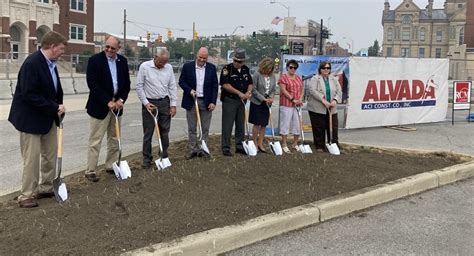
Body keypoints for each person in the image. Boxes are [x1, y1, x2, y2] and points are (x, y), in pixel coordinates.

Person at [8, 31, 67, 208]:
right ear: (52, 46)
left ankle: (46, 187)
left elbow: (54, 90)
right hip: (30, 120)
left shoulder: (51, 64)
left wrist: (59, 106)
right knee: (31, 159)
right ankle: (26, 195)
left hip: (48, 118)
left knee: (50, 155)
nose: (63, 52)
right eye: (61, 48)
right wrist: (54, 107)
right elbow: (29, 94)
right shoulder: (32, 63)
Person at [84, 36, 131, 182]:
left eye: (113, 48)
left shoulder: (122, 61)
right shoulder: (95, 60)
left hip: (117, 107)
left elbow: (127, 84)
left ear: (118, 48)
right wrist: (107, 101)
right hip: (99, 107)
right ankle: (91, 170)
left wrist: (121, 100)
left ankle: (111, 165)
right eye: (107, 47)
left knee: (114, 138)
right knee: (95, 140)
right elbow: (92, 84)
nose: (109, 50)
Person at [136, 48, 177, 168]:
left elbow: (172, 86)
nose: (162, 65)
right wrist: (145, 103)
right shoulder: (144, 67)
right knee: (148, 133)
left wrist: (173, 105)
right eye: (160, 62)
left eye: (165, 62)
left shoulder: (168, 68)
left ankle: (163, 155)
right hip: (150, 103)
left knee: (165, 132)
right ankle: (147, 159)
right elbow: (139, 86)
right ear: (155, 57)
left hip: (164, 102)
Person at [179, 47, 218, 159]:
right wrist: (190, 90)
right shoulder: (188, 67)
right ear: (197, 56)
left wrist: (213, 102)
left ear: (207, 58)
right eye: (200, 57)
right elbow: (181, 81)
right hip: (192, 101)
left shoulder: (211, 68)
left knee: (205, 128)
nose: (202, 60)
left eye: (204, 58)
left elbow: (215, 86)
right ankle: (193, 149)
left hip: (206, 102)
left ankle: (203, 149)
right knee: (192, 127)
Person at [219, 48, 254, 156]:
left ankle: (240, 146)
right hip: (230, 100)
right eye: (235, 61)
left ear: (243, 61)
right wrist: (239, 93)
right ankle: (226, 148)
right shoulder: (227, 69)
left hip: (242, 101)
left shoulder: (245, 69)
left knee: (240, 125)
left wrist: (248, 92)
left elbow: (250, 83)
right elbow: (225, 85)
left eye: (239, 62)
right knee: (227, 125)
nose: (237, 63)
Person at [307, 61, 342, 152]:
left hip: (331, 107)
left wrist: (335, 100)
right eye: (324, 68)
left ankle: (333, 144)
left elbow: (339, 91)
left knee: (333, 127)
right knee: (319, 127)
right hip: (317, 108)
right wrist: (323, 100)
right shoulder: (315, 78)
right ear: (320, 69)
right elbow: (312, 90)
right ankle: (320, 146)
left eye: (328, 68)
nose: (326, 70)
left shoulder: (333, 79)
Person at [248, 57, 276, 153]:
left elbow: (273, 90)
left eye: (271, 68)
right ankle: (254, 142)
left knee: (264, 124)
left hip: (267, 104)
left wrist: (271, 98)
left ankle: (260, 143)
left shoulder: (273, 76)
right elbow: (253, 89)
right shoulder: (256, 75)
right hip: (257, 102)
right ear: (264, 66)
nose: (269, 70)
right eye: (268, 68)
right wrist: (262, 98)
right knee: (257, 124)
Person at [278, 59, 304, 153]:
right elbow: (284, 91)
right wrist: (293, 99)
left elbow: (302, 89)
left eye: (295, 68)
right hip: (287, 104)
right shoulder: (283, 78)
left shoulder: (298, 77)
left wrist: (300, 99)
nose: (293, 69)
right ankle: (284, 143)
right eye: (291, 67)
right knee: (285, 124)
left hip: (297, 105)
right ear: (287, 67)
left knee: (297, 125)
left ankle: (295, 143)